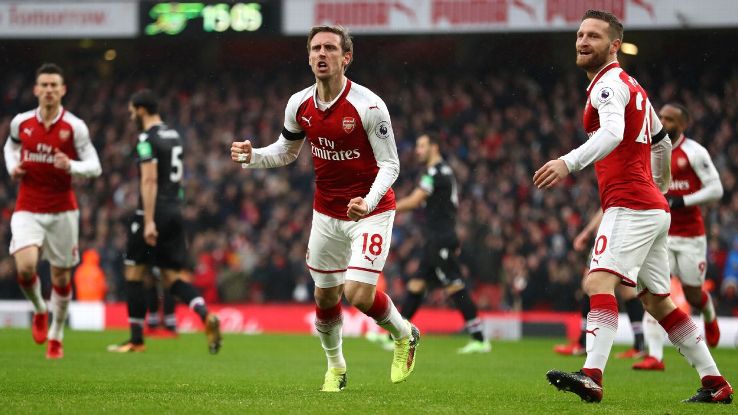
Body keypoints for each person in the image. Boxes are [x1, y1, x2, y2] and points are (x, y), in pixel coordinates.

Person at [535, 10, 732, 403]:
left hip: (629, 204)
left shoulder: (608, 85)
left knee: (597, 282)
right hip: (651, 207)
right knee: (658, 302)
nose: (583, 41)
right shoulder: (633, 86)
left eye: (593, 36)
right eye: (580, 34)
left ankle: (592, 375)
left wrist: (567, 162)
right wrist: (659, 187)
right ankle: (716, 383)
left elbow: (612, 133)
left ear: (614, 46)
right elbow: (661, 142)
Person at [230, 25, 419, 392]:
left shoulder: (369, 106)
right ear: (308, 57)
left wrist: (368, 201)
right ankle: (336, 367)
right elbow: (287, 151)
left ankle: (404, 333)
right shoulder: (299, 104)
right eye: (316, 48)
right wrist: (253, 156)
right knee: (325, 295)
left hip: (371, 211)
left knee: (358, 294)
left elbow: (391, 165)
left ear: (346, 58)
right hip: (327, 213)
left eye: (330, 48)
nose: (321, 54)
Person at [108, 89, 221, 354]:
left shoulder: (145, 139)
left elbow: (148, 179)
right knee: (172, 278)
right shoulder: (174, 136)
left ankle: (136, 340)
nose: (131, 117)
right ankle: (205, 315)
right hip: (174, 211)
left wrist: (148, 221)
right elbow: (177, 179)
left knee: (134, 273)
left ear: (141, 110)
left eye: (132, 112)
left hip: (152, 212)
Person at [4, 63, 102, 359]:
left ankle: (56, 335)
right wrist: (13, 167)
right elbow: (10, 147)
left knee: (61, 279)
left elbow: (95, 167)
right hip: (28, 206)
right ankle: (39, 309)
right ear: (36, 90)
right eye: (44, 85)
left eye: (53, 85)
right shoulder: (21, 122)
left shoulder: (75, 127)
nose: (48, 90)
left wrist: (71, 165)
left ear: (62, 90)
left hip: (62, 211)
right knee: (25, 268)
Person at [372, 133, 490, 353]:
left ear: (434, 147)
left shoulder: (437, 173)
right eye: (417, 146)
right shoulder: (437, 172)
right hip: (435, 238)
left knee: (455, 285)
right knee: (416, 285)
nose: (417, 150)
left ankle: (480, 339)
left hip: (441, 238)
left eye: (422, 146)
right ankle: (395, 335)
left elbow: (415, 201)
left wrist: (383, 208)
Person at [634, 103, 724, 371]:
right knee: (654, 293)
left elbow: (716, 189)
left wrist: (683, 200)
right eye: (661, 117)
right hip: (661, 234)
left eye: (670, 119)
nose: (663, 121)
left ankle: (708, 313)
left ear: (683, 125)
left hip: (691, 237)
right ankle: (655, 357)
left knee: (693, 295)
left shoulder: (695, 152)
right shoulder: (650, 149)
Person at [554, 209, 646, 358]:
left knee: (589, 283)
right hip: (630, 234)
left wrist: (587, 231)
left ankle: (583, 341)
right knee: (626, 289)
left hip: (612, 235)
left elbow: (606, 207)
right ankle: (639, 344)